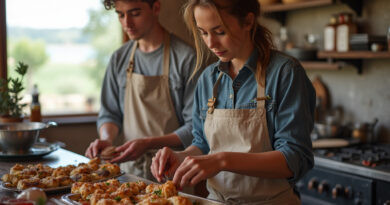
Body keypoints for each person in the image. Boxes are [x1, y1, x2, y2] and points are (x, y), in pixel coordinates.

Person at [151, 0, 315, 204]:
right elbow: (202, 144)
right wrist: (182, 156)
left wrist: (221, 160)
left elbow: (294, 158)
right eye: (203, 32)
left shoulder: (285, 73)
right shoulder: (207, 79)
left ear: (248, 21)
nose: (210, 43)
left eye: (219, 32)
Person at [85, 0, 197, 181]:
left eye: (135, 13)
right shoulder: (119, 59)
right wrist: (107, 138)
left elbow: (194, 128)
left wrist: (147, 144)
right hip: (129, 174)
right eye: (121, 15)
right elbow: (110, 114)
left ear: (156, 8)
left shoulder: (186, 58)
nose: (126, 23)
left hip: (172, 173)